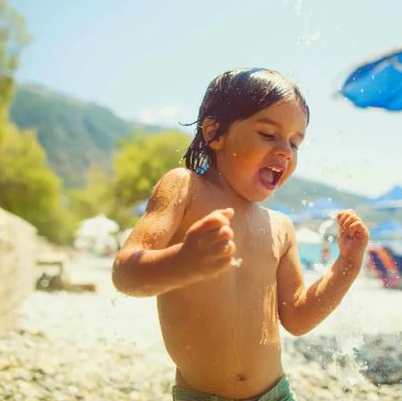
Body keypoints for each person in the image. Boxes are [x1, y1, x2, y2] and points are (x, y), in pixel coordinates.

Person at [112, 68, 369, 401]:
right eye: (267, 134)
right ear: (215, 132)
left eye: (294, 142)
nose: (286, 152)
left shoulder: (281, 227)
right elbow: (126, 273)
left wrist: (346, 265)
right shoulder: (186, 188)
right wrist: (183, 262)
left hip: (277, 394)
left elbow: (298, 318)